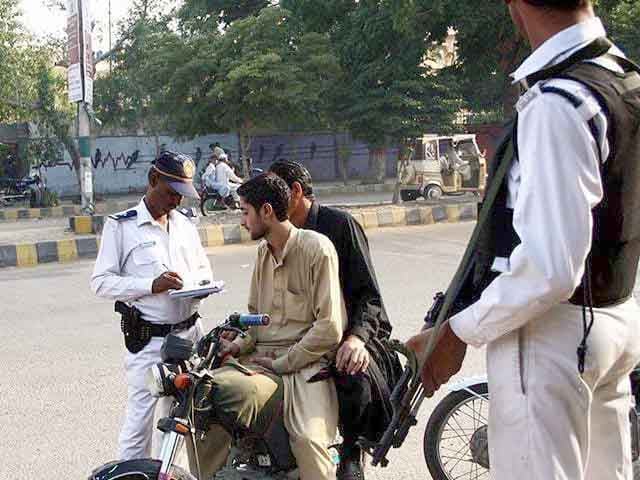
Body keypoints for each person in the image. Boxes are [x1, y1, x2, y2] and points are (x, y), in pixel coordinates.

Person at [407, 2, 640, 479]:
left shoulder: (560, 101)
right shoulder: (623, 79)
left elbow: (550, 268)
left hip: (550, 336)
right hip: (611, 320)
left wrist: (457, 331)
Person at [190, 173, 346, 480]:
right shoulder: (263, 252)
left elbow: (329, 328)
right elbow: (257, 320)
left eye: (245, 211)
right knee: (202, 397)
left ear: (267, 212)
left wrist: (283, 362)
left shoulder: (317, 249)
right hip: (259, 362)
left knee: (308, 441)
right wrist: (238, 344)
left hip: (305, 367)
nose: (242, 220)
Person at [269, 159, 401, 480]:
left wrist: (356, 339)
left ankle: (351, 451)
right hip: (298, 334)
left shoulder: (340, 226)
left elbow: (368, 296)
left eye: (274, 194)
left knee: (350, 369)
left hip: (348, 334)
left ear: (296, 192)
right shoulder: (277, 235)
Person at [91, 151, 213, 460]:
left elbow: (203, 271)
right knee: (140, 424)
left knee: (179, 423)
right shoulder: (122, 226)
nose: (177, 201)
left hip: (189, 336)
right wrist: (150, 285)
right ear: (152, 180)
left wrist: (200, 286)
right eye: (171, 193)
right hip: (149, 341)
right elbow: (101, 282)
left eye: (182, 195)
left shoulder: (184, 225)